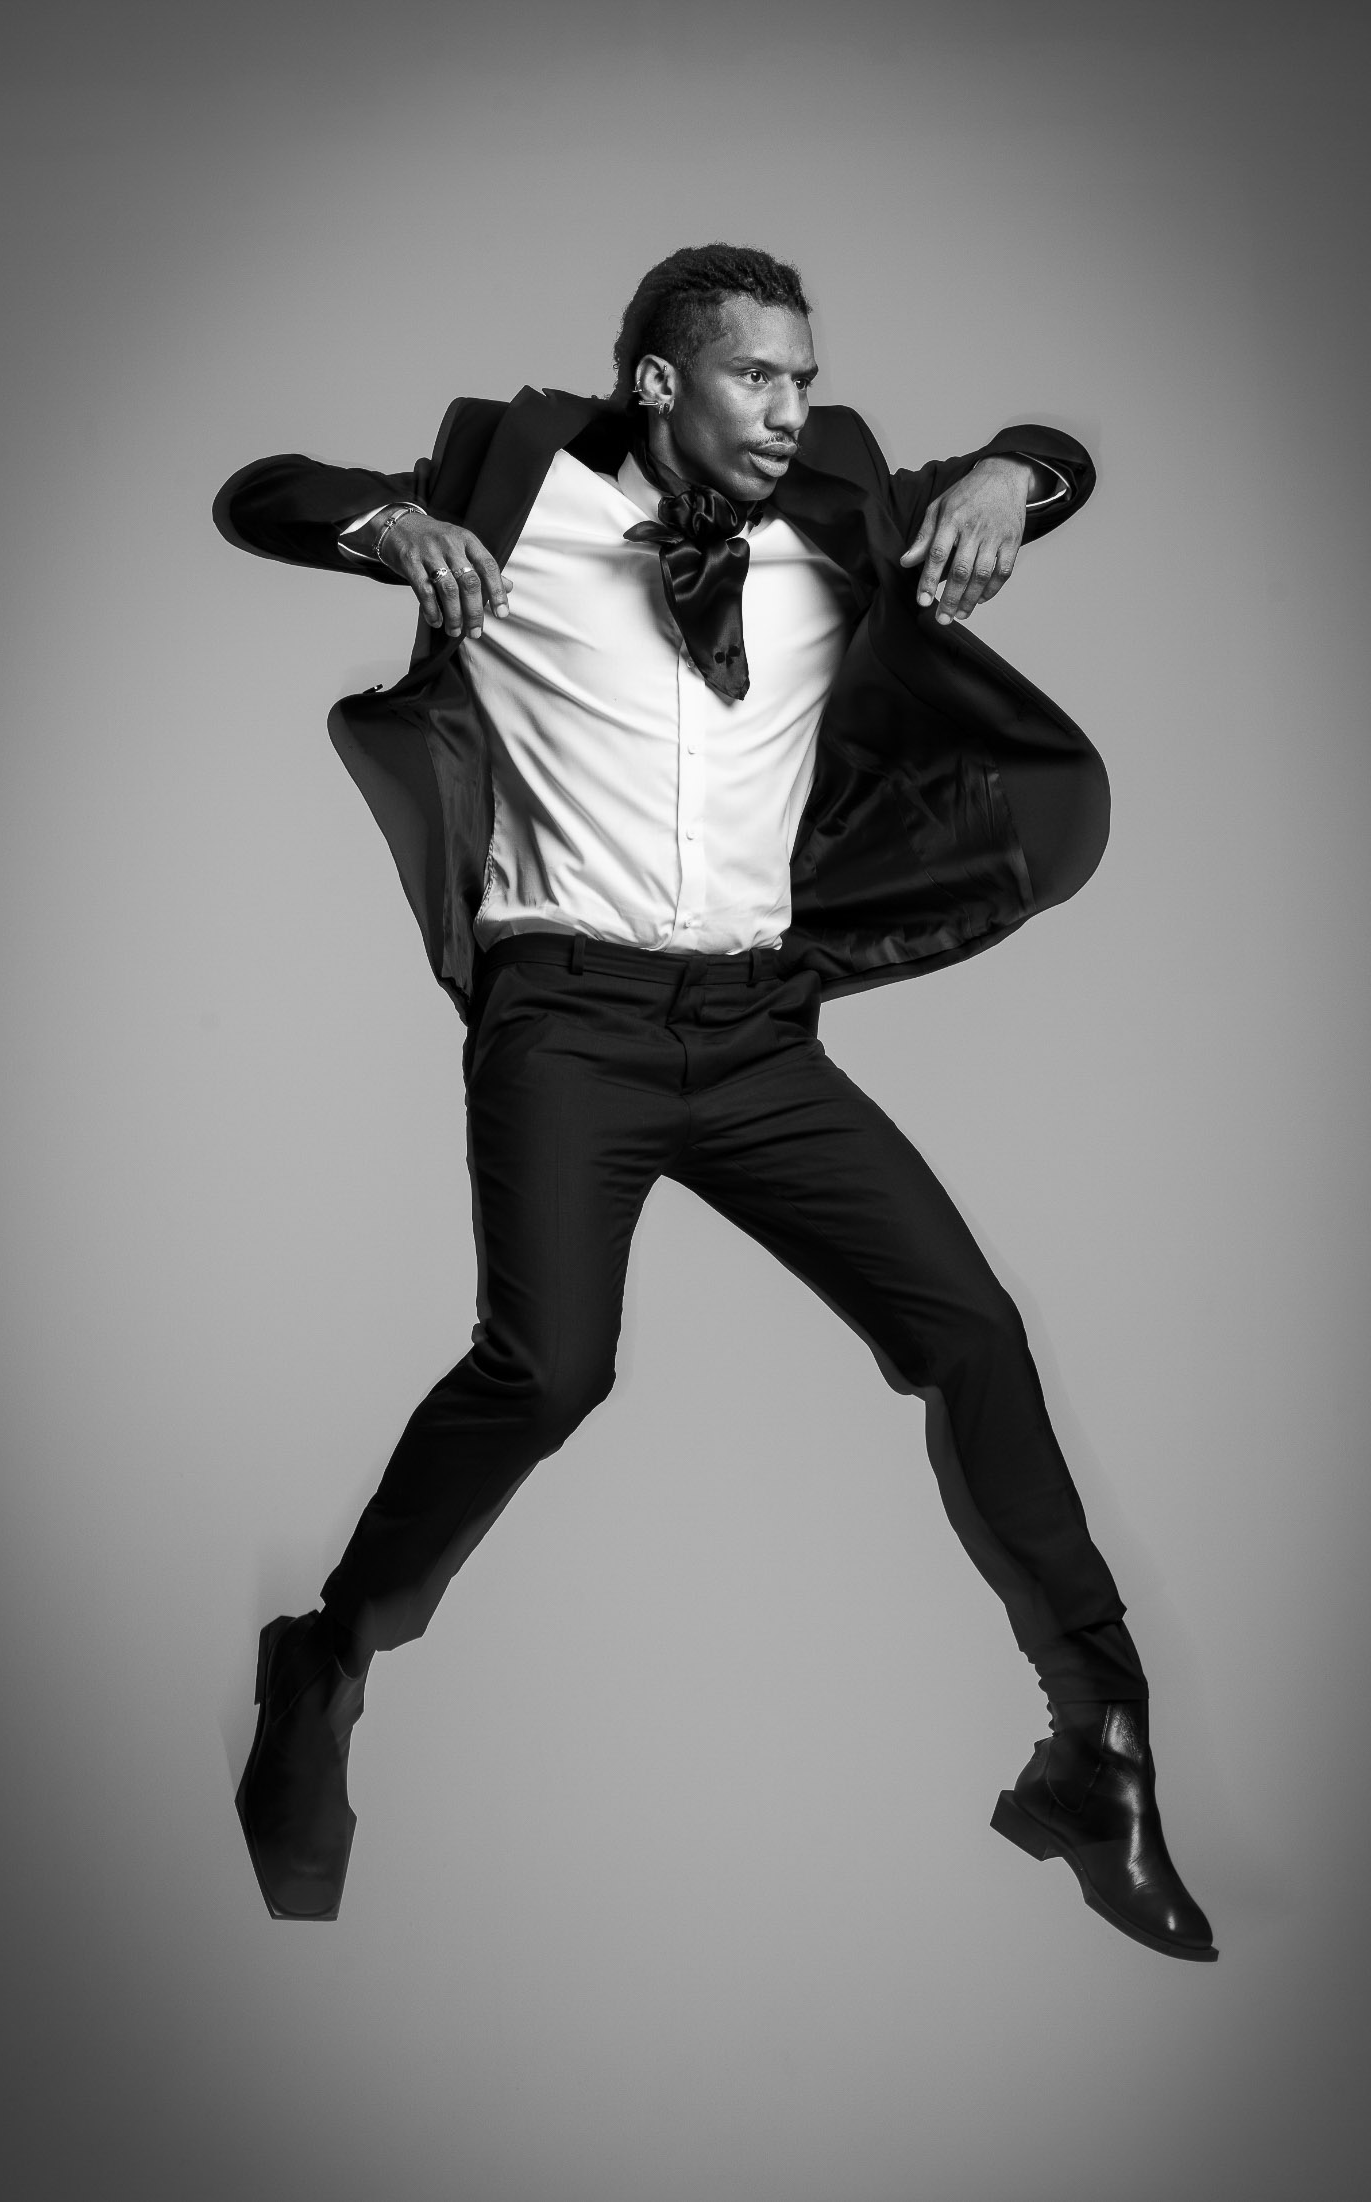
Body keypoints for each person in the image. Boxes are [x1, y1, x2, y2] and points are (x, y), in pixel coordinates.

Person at [214, 242, 1215, 1960]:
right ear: (661, 380)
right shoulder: (511, 491)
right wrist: (390, 528)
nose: (794, 408)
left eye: (808, 377)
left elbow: (1055, 461)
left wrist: (1007, 472)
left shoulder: (839, 502)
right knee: (549, 1368)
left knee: (971, 1329)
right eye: (761, 376)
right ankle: (329, 1654)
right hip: (569, 1022)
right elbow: (262, 493)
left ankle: (1099, 1744)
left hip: (757, 1034)